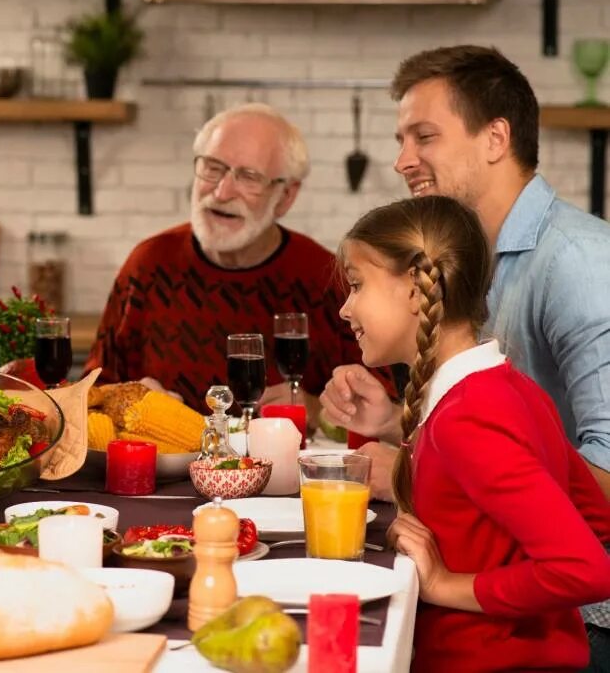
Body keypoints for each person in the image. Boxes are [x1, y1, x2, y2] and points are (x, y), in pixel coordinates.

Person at [320, 45, 610, 665]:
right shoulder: (488, 352)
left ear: (495, 138)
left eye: (423, 136)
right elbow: (539, 466)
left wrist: (446, 571)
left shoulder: (582, 264)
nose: (401, 161)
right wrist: (405, 432)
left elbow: (586, 531)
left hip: (557, 624)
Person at [84, 102, 369, 417]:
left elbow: (386, 404)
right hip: (165, 466)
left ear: (286, 196)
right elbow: (91, 391)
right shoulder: (148, 264)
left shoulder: (324, 277)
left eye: (248, 177)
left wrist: (318, 410)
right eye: (213, 167)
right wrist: (128, 397)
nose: (221, 192)